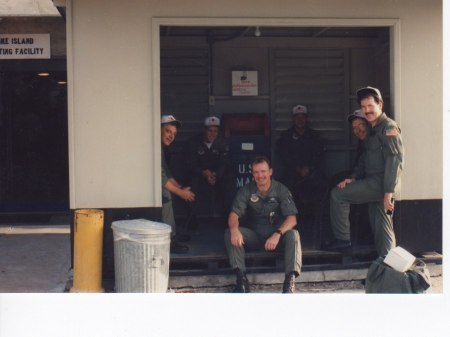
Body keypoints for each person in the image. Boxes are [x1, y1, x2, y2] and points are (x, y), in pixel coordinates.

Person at [326, 87, 403, 257]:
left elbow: (394, 161)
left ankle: (343, 241)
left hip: (381, 185)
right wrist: (352, 178)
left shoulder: (388, 127)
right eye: (364, 107)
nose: (367, 110)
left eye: (370, 106)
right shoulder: (374, 130)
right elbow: (364, 162)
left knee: (338, 195)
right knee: (383, 230)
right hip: (379, 187)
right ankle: (388, 271)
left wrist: (388, 192)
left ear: (380, 104)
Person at [224, 156, 302, 293]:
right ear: (253, 174)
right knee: (230, 231)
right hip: (255, 236)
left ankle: (290, 281)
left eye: (263, 171)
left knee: (293, 234)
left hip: (276, 237)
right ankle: (241, 279)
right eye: (256, 172)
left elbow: (292, 219)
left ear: (270, 172)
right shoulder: (246, 190)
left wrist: (277, 234)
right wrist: (235, 229)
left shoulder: (281, 190)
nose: (260, 175)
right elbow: (234, 214)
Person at [276, 104, 329, 210]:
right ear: (293, 119)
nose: (300, 120)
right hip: (292, 173)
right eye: (297, 117)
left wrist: (309, 168)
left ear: (306, 119)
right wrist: (298, 169)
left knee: (323, 186)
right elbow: (284, 156)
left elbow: (318, 155)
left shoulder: (314, 135)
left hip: (311, 173)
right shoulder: (286, 135)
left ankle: (316, 218)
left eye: (302, 117)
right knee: (286, 189)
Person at [185, 116, 235, 228]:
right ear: (204, 130)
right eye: (209, 130)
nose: (212, 134)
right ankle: (191, 221)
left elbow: (225, 163)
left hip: (215, 176)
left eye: (215, 131)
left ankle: (228, 220)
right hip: (199, 174)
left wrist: (215, 175)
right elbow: (190, 163)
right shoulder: (193, 142)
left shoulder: (222, 143)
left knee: (229, 183)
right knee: (191, 184)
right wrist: (203, 172)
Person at [161, 114, 196, 254]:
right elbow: (161, 179)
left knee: (172, 192)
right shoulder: (154, 147)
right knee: (166, 195)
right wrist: (181, 193)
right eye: (168, 131)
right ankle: (169, 240)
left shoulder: (162, 148)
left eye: (174, 133)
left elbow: (167, 174)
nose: (171, 136)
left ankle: (172, 233)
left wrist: (180, 188)